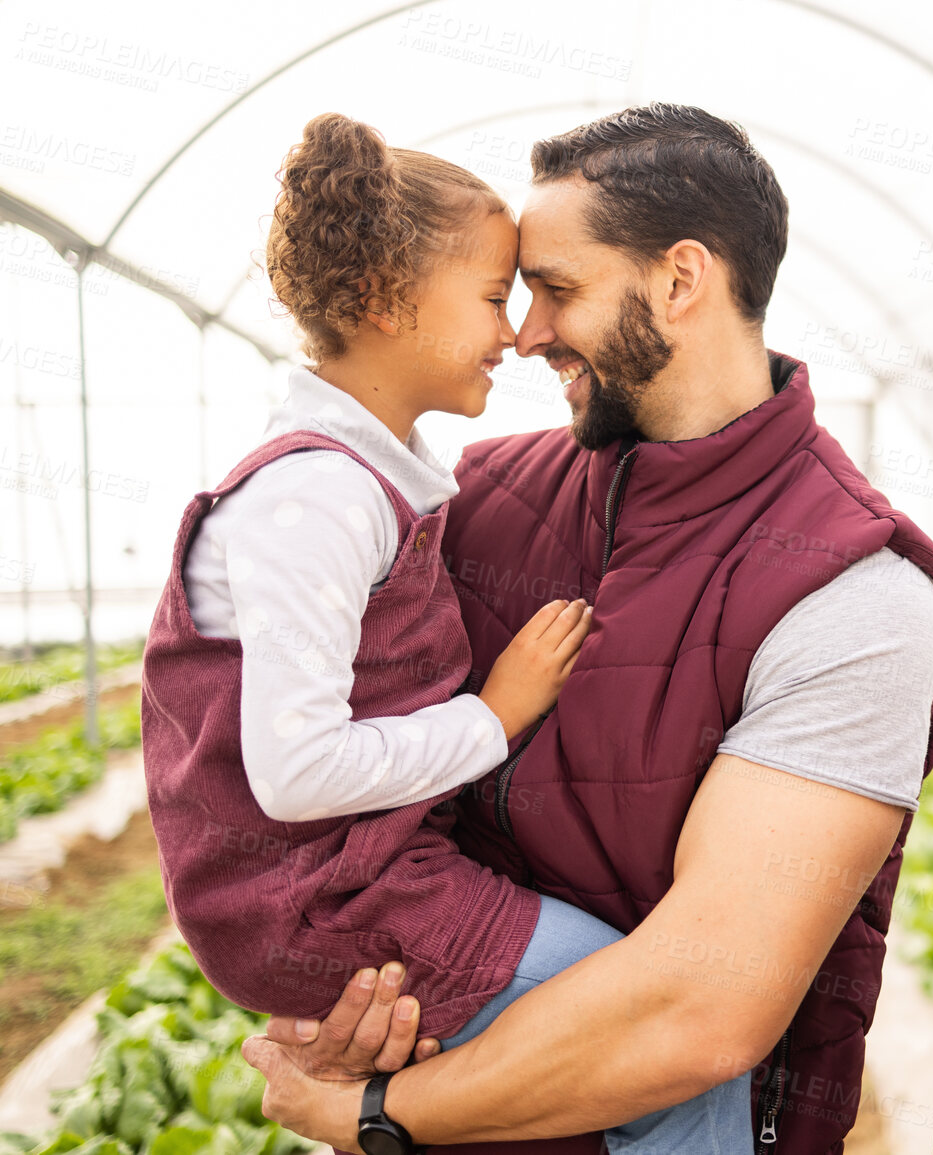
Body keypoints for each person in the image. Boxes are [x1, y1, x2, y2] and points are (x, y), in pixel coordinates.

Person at [239, 103, 933, 1154]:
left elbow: (698, 1011)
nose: (524, 333)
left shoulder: (855, 594)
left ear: (680, 281)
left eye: (556, 290)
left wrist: (380, 1119)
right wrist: (339, 985)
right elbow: (301, 769)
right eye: (514, 292)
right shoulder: (465, 504)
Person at [143, 112, 755, 1154]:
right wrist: (496, 713)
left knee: (581, 1053)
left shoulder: (369, 479)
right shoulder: (318, 497)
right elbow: (294, 775)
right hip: (320, 895)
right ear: (387, 305)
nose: (513, 333)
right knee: (655, 1043)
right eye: (489, 297)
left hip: (356, 875)